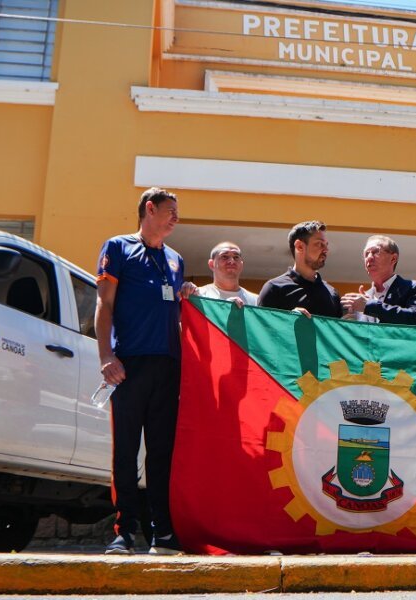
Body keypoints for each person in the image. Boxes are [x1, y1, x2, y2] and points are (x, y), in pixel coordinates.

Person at [95, 187, 196, 555]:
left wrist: (186, 292)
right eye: (170, 211)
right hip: (129, 365)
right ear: (149, 209)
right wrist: (106, 355)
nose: (176, 218)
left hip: (168, 366)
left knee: (161, 453)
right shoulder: (117, 248)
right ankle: (124, 532)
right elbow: (103, 305)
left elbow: (173, 306)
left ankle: (163, 533)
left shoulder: (175, 259)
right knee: (125, 451)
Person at [258, 220, 342, 318]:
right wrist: (289, 320)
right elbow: (261, 329)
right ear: (300, 246)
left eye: (326, 245)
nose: (326, 250)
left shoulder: (332, 293)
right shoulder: (274, 289)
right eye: (319, 244)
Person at [340, 235, 416, 324]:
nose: (369, 257)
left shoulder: (413, 288)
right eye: (366, 254)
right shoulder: (362, 299)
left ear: (393, 259)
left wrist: (370, 306)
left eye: (375, 252)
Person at [197, 241, 258, 308]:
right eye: (224, 256)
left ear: (241, 265)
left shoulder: (256, 302)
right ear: (211, 264)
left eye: (236, 257)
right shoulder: (199, 296)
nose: (231, 261)